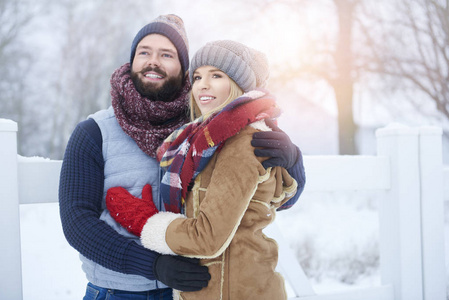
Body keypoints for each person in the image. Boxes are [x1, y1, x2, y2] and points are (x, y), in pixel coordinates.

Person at [59, 14, 305, 300]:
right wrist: (152, 264)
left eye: (166, 54)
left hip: (190, 292)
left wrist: (291, 161)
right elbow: (77, 223)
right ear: (131, 61)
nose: (154, 61)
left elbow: (272, 201)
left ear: (182, 68)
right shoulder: (94, 132)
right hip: (118, 291)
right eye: (144, 52)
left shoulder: (208, 131)